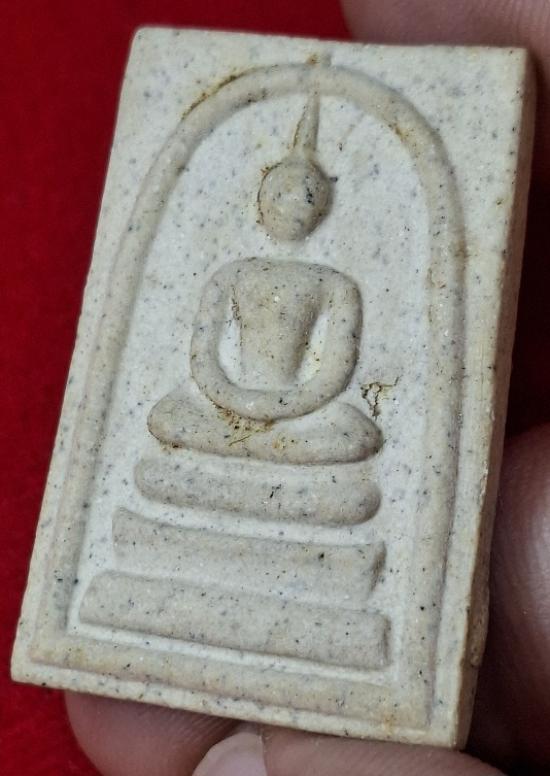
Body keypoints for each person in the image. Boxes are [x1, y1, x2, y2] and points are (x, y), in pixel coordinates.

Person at [65, 1, 550, 773]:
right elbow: (204, 363)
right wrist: (241, 405)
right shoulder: (232, 273)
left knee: (355, 446)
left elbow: (332, 372)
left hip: (304, 423)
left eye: (306, 197)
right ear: (262, 199)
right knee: (167, 426)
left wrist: (284, 408)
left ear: (322, 206)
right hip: (225, 416)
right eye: (281, 193)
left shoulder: (333, 283)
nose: (291, 207)